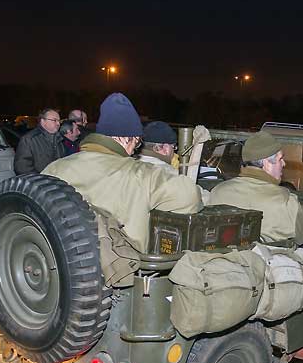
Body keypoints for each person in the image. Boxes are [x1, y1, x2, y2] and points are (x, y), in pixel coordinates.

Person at [43, 93, 202, 252]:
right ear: (128, 138)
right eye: (137, 142)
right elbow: (190, 196)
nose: (135, 149)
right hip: (121, 270)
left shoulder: (54, 168)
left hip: (61, 268)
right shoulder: (143, 175)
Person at [209, 131, 303, 295]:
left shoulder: (217, 192)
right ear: (266, 164)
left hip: (224, 268)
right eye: (280, 159)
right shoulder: (285, 201)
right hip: (268, 276)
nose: (283, 164)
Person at [14, 108, 65, 175]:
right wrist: (41, 180)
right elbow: (22, 168)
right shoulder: (29, 139)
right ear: (43, 121)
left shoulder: (59, 139)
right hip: (39, 183)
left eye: (59, 120)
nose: (58, 123)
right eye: (54, 120)